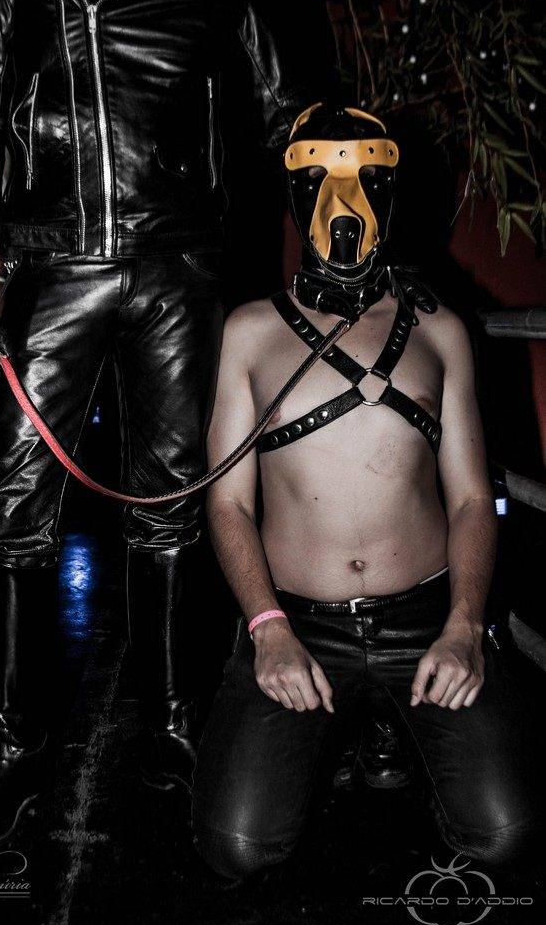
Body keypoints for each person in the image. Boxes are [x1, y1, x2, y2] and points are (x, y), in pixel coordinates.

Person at [0, 0, 326, 838]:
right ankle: (17, 746)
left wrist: (336, 264)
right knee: (14, 510)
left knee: (173, 507)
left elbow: (292, 126)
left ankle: (174, 726)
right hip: (49, 267)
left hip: (179, 269)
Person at [192, 103, 539, 879]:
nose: (341, 203)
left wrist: (464, 625)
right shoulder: (248, 331)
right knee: (237, 848)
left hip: (426, 618)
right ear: (294, 196)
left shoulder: (439, 329)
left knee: (505, 836)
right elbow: (227, 502)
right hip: (298, 624)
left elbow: (470, 500)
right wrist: (267, 629)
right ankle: (356, 713)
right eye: (318, 180)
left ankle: (390, 722)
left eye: (362, 181)